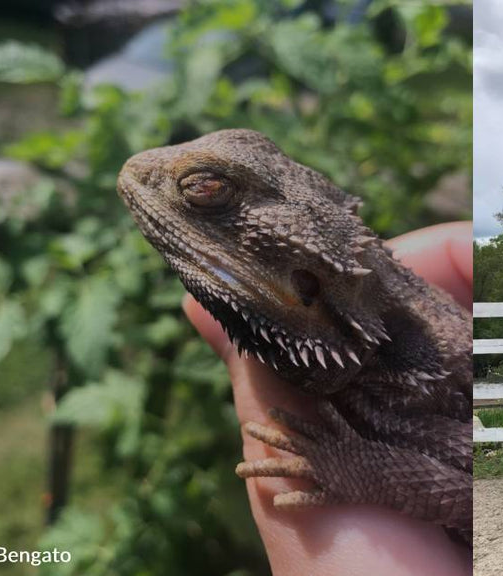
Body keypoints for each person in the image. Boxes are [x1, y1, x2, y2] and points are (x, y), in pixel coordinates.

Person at [183, 221, 474, 576]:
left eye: (206, 190)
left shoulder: (418, 389)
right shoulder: (385, 373)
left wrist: (358, 467)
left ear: (305, 286)